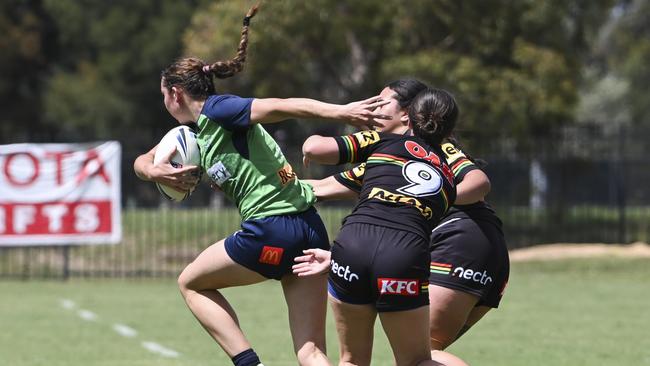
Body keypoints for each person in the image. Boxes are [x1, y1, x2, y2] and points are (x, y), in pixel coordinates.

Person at [133, 5, 392, 366]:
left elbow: (280, 106)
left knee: (191, 283)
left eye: (163, 95)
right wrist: (156, 172)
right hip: (309, 228)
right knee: (310, 351)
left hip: (271, 230)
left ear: (175, 93)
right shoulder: (195, 135)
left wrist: (341, 112)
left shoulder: (218, 110)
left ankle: (248, 363)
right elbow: (141, 162)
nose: (164, 103)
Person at [297, 82, 509, 365]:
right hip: (408, 245)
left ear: (408, 114)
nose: (371, 107)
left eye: (381, 102)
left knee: (419, 354)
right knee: (420, 355)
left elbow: (479, 182)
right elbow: (320, 188)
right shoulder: (385, 155)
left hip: (461, 238)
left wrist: (428, 198)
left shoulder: (435, 149)